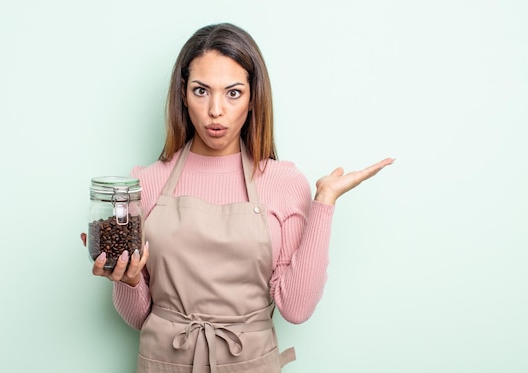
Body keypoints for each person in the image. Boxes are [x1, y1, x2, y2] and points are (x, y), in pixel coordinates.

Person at [81, 22, 393, 373]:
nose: (216, 110)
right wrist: (129, 280)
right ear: (183, 94)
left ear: (252, 96)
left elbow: (296, 308)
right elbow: (139, 318)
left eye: (233, 93)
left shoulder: (284, 182)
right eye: (201, 91)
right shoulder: (147, 181)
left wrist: (324, 201)